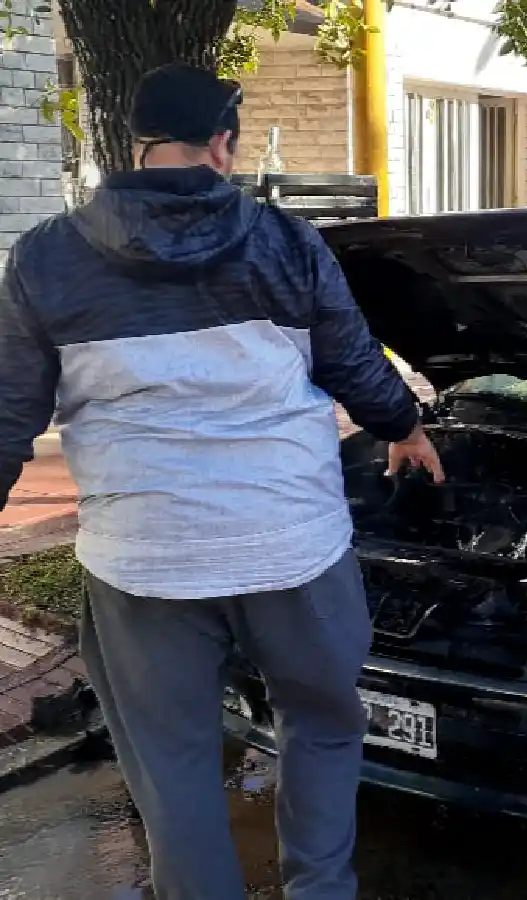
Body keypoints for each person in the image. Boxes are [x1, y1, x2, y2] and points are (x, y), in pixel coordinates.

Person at [0, 63, 443, 899]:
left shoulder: (46, 258)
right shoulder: (285, 241)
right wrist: (405, 428)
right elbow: (353, 362)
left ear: (134, 142)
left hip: (143, 563)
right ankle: (320, 890)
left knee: (174, 764)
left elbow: (6, 415)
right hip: (293, 547)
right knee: (321, 724)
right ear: (224, 143)